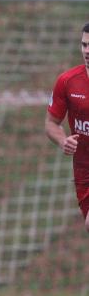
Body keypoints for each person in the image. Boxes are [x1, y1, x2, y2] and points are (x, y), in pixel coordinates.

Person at [47, 23, 89, 232]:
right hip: (84, 170)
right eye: (84, 45)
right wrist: (63, 140)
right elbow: (51, 123)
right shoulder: (67, 82)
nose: (87, 51)